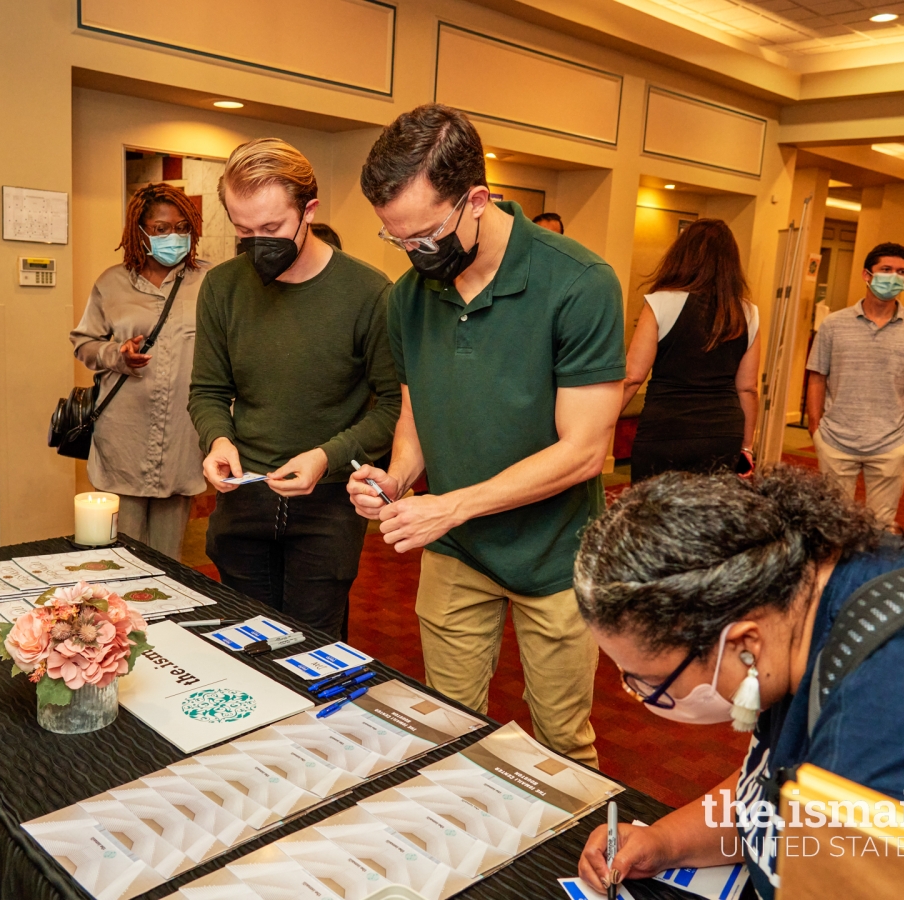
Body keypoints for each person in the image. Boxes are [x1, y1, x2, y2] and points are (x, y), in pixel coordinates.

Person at [572, 467, 904, 899]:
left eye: (652, 682)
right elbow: (775, 796)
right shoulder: (802, 592)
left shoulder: (893, 703)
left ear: (744, 643)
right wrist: (664, 842)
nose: (638, 695)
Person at [349, 104, 625, 764]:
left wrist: (452, 503)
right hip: (458, 551)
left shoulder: (581, 283)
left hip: (554, 555)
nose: (415, 253)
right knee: (447, 729)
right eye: (397, 239)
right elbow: (418, 408)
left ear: (476, 199)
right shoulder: (409, 296)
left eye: (424, 233)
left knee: (562, 742)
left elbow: (584, 451)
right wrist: (398, 477)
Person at [188, 138, 400, 638]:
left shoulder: (369, 293)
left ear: (309, 210)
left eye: (272, 228)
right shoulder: (222, 288)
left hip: (327, 509)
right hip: (244, 502)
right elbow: (208, 390)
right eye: (243, 230)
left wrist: (327, 456)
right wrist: (218, 439)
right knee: (244, 642)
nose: (258, 241)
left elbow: (394, 406)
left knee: (313, 650)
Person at [71, 183, 209, 560]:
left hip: (182, 439)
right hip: (123, 440)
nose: (174, 236)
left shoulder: (210, 283)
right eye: (162, 228)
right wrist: (118, 354)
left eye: (182, 227)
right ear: (141, 232)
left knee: (169, 560)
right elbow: (84, 343)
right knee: (121, 556)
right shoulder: (111, 283)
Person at [806, 241, 904, 530]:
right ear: (867, 275)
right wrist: (815, 427)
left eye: (901, 272)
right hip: (835, 440)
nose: (894, 277)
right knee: (833, 525)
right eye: (886, 269)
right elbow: (817, 377)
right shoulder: (833, 324)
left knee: (881, 529)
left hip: (891, 442)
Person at [622, 219, 761, 481]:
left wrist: (598, 425)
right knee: (713, 516)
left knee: (653, 514)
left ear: (682, 256)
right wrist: (746, 446)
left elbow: (632, 377)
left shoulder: (660, 302)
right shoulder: (747, 312)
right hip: (723, 433)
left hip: (665, 429)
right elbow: (748, 388)